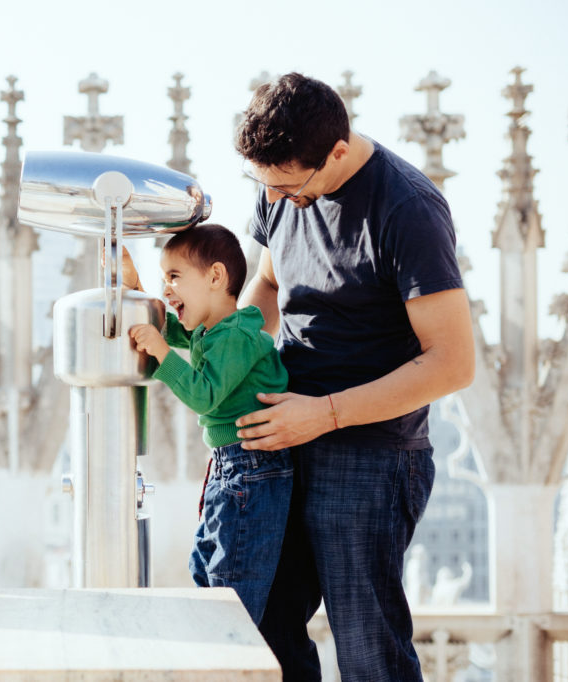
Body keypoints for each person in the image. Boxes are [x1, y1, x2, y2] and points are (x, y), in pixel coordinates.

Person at [232, 73, 475, 681]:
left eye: (292, 187)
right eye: (267, 188)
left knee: (369, 653)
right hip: (281, 439)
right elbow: (266, 283)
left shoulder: (408, 208)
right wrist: (225, 349)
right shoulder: (279, 185)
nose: (279, 201)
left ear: (337, 151)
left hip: (371, 455)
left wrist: (324, 413)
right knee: (262, 629)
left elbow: (453, 362)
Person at [123, 223, 290, 625]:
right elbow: (171, 326)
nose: (167, 290)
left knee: (229, 589)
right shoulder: (213, 330)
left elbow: (203, 393)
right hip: (232, 466)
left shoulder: (237, 335)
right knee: (206, 567)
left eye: (175, 277)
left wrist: (161, 352)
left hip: (251, 470)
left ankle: (230, 659)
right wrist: (134, 286)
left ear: (216, 277)